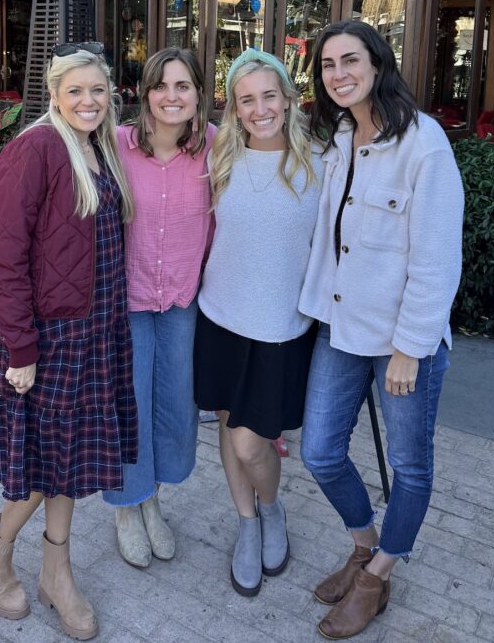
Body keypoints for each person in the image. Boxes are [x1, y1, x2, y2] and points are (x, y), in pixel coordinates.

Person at [298, 20, 464, 640]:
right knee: (319, 450)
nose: (338, 74)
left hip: (401, 342)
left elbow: (438, 256)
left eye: (350, 60)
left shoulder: (423, 143)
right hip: (341, 327)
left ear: (378, 63)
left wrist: (411, 348)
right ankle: (365, 545)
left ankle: (378, 577)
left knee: (411, 468)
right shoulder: (337, 135)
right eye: (327, 64)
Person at [0, 43, 137, 641]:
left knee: (71, 462)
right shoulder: (35, 149)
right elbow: (3, 258)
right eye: (76, 91)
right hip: (49, 337)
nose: (89, 101)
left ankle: (56, 571)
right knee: (43, 464)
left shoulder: (102, 147)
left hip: (97, 330)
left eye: (99, 91)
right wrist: (19, 347)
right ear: (55, 94)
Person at [194, 49, 322, 597]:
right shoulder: (220, 155)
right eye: (247, 99)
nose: (260, 108)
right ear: (234, 107)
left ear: (289, 99)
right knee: (228, 424)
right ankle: (247, 523)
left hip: (281, 327)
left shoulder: (321, 160)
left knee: (252, 443)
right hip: (220, 317)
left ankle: (272, 509)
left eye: (270, 95)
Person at [103, 47, 216, 567]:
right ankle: (128, 506)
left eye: (183, 86)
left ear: (198, 93)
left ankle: (154, 500)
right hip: (127, 299)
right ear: (145, 93)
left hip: (182, 301)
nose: (172, 97)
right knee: (130, 404)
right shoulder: (117, 145)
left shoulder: (215, 147)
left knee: (174, 403)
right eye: (161, 86)